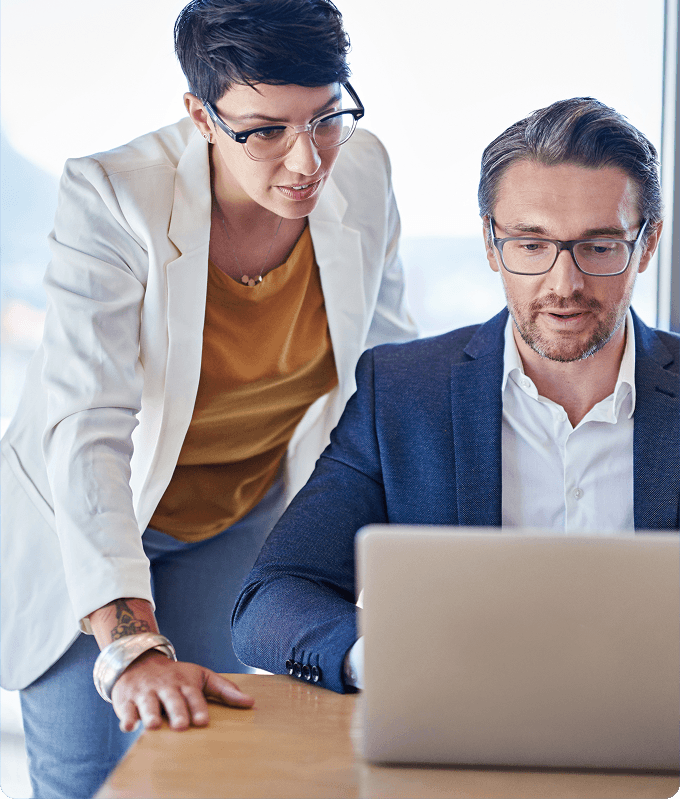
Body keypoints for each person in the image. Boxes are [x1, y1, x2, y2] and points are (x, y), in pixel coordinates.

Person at [0, 0, 416, 798]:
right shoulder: (114, 196)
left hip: (237, 519)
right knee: (88, 779)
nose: (306, 161)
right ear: (201, 116)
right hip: (88, 522)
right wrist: (133, 646)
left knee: (212, 769)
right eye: (264, 130)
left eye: (326, 115)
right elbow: (89, 427)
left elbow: (387, 379)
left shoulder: (360, 170)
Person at [232, 96, 679, 694]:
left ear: (646, 245)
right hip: (456, 747)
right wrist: (388, 661)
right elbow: (273, 598)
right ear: (492, 247)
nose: (564, 284)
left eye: (599, 247)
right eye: (531, 244)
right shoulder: (403, 394)